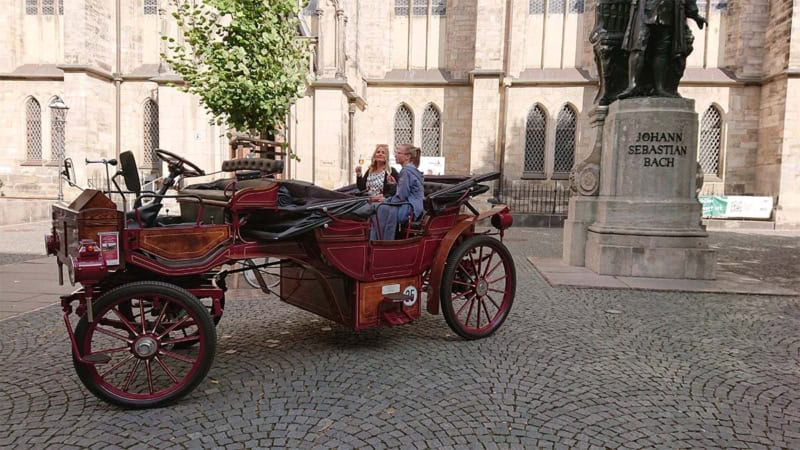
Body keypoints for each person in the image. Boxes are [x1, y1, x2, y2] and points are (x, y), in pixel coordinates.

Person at [618, 0, 706, 99]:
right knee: (638, 47)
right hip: (644, 11)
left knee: (662, 50)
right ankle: (633, 85)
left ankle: (659, 88)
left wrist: (695, 15)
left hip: (667, 12)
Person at [369, 144, 424, 241]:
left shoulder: (406, 171)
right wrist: (395, 185)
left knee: (377, 207)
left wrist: (385, 200)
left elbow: (401, 197)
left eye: (398, 153)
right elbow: (406, 191)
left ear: (407, 157)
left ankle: (381, 240)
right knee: (379, 205)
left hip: (409, 209)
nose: (395, 155)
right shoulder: (410, 170)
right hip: (414, 207)